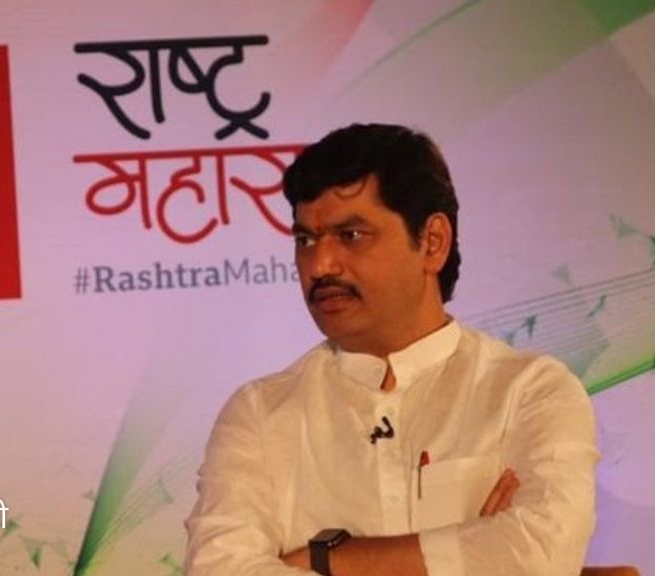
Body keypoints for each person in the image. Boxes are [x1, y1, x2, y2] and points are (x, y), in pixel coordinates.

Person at [184, 123, 598, 576]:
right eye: (305, 240)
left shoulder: (529, 391)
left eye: (351, 235)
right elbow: (218, 568)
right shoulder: (260, 414)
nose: (319, 265)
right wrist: (473, 549)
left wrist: (326, 558)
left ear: (433, 243)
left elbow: (540, 553)